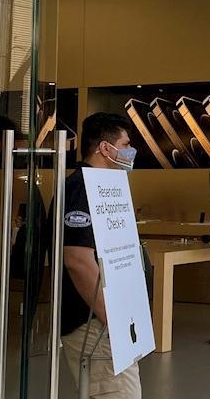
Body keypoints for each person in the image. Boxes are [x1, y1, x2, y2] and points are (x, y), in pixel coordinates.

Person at [60, 112, 151, 399]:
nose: (130, 151)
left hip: (106, 323)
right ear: (105, 148)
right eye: (125, 144)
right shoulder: (83, 188)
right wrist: (112, 318)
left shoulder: (103, 187)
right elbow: (77, 259)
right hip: (94, 325)